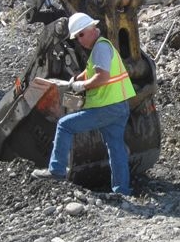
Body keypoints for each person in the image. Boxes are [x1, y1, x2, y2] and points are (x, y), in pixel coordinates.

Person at [31, 12, 136, 195]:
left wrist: (81, 86)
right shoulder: (102, 48)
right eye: (77, 36)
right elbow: (92, 71)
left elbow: (102, 77)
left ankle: (56, 171)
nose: (79, 40)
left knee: (65, 125)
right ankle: (122, 191)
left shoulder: (101, 48)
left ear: (92, 29)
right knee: (115, 147)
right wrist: (75, 79)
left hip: (107, 108)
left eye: (80, 34)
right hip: (120, 106)